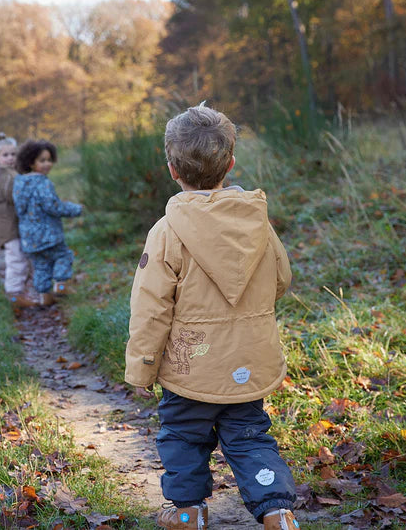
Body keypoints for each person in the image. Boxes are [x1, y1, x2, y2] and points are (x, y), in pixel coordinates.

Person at [125, 104, 298, 530]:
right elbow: (281, 279)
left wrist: (142, 367)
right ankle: (277, 511)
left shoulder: (167, 231)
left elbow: (150, 307)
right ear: (231, 163)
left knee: (183, 434)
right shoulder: (257, 223)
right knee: (250, 435)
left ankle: (187, 510)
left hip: (192, 364)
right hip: (247, 357)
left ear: (172, 169)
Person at [13, 139, 82, 306]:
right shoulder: (43, 182)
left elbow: (20, 208)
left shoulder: (19, 183)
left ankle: (45, 296)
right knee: (63, 256)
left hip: (30, 238)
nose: (47, 164)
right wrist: (76, 209)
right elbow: (53, 206)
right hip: (48, 235)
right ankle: (60, 285)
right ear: (30, 162)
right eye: (42, 160)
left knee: (41, 266)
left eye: (50, 160)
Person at [0, 132, 34, 308]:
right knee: (15, 259)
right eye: (5, 155)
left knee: (22, 258)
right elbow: (13, 195)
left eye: (13, 154)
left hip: (16, 224)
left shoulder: (11, 172)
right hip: (8, 226)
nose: (10, 158)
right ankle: (13, 294)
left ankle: (18, 292)